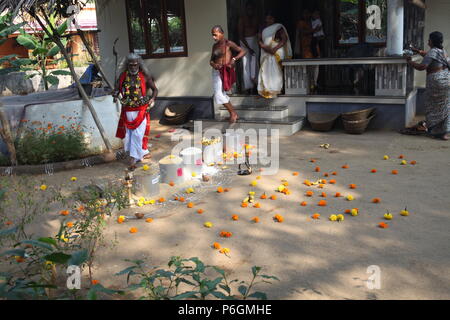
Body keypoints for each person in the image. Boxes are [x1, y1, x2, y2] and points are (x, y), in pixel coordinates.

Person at [401, 31, 450, 140]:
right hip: (447, 80)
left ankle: (436, 131)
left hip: (436, 82)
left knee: (432, 105)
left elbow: (423, 66)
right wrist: (416, 50)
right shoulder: (442, 51)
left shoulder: (433, 51)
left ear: (432, 41)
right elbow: (428, 55)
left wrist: (410, 62)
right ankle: (446, 133)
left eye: (429, 39)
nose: (428, 41)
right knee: (446, 107)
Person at [114, 53, 158, 168]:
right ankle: (140, 154)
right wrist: (115, 94)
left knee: (138, 134)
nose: (133, 67)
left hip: (142, 109)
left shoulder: (145, 76)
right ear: (127, 65)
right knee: (129, 135)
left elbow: (155, 90)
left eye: (135, 65)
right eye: (131, 65)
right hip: (128, 109)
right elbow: (116, 90)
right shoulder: (123, 76)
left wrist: (152, 99)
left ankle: (133, 158)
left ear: (139, 64)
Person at [210, 25, 246, 124]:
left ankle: (233, 113)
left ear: (221, 33)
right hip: (216, 71)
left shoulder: (228, 43)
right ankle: (233, 113)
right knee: (220, 94)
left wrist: (234, 59)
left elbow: (243, 51)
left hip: (225, 71)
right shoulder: (215, 46)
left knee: (219, 94)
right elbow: (211, 61)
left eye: (215, 35)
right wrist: (214, 64)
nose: (213, 37)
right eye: (212, 35)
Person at [257, 12, 292, 99]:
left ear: (273, 19)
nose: (268, 20)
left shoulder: (278, 27)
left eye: (270, 18)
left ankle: (276, 90)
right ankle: (268, 91)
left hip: (277, 51)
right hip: (266, 51)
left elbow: (284, 39)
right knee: (265, 71)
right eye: (267, 18)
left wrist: (274, 49)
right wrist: (265, 47)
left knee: (277, 72)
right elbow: (259, 40)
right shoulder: (263, 28)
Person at [238, 1, 260, 94]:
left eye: (252, 9)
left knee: (255, 65)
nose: (250, 11)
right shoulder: (242, 19)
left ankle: (255, 86)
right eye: (248, 9)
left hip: (254, 41)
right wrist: (248, 48)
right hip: (245, 43)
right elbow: (240, 35)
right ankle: (248, 88)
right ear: (246, 9)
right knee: (246, 65)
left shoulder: (256, 18)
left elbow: (259, 31)